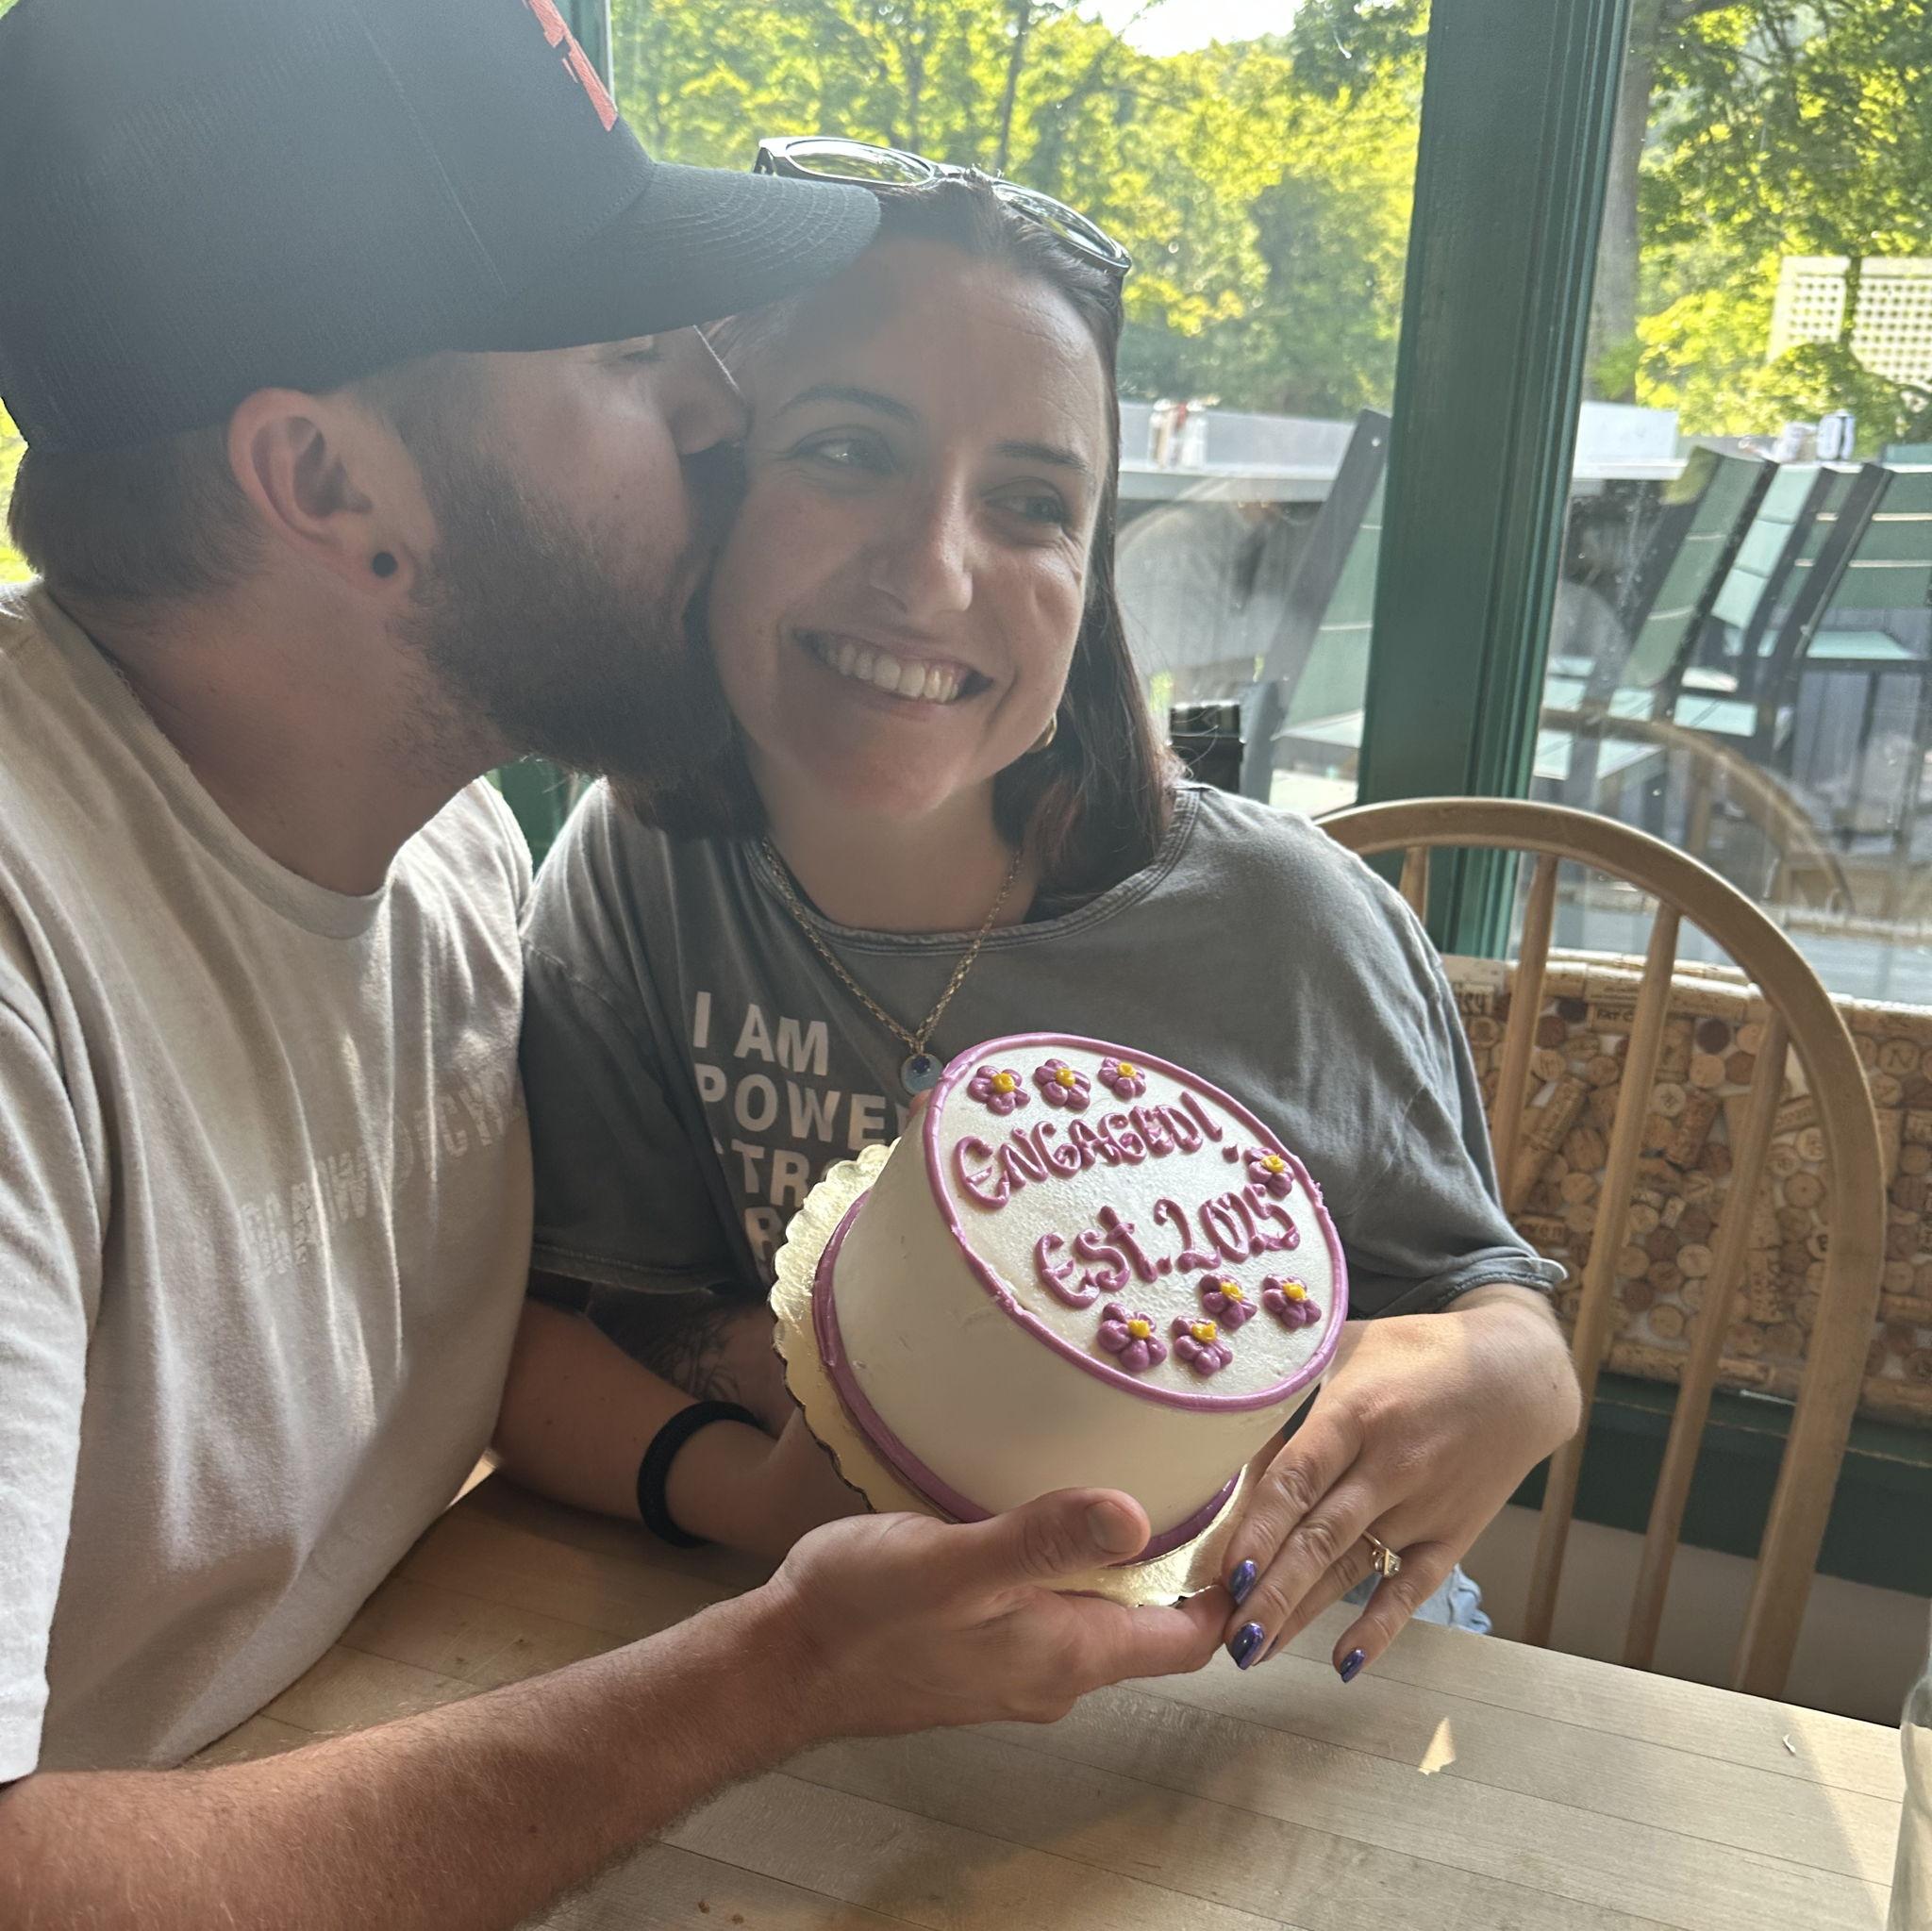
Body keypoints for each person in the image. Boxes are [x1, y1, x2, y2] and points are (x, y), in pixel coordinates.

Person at [0, 8, 1228, 1925]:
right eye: (630, 358)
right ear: (328, 484)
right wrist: (776, 1675)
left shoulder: (462, 855)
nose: (719, 419)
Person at [518, 152, 1585, 1686]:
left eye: (1031, 502)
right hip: (823, 1663)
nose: (934, 567)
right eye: (844, 450)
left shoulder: (1283, 925)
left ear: (1086, 582)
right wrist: (753, 1501)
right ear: (709, 490)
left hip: (1257, 1674)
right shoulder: (638, 879)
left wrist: (1516, 1373)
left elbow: (1491, 1312)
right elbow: (567, 1323)